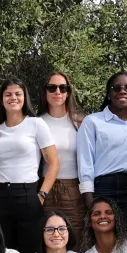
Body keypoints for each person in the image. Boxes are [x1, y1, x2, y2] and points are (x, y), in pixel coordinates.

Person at [0, 80, 60, 253]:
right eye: (8, 94)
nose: (13, 98)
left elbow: (54, 163)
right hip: (1, 196)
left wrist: (41, 195)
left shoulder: (36, 124)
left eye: (18, 94)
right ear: (2, 99)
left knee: (30, 252)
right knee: (4, 252)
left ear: (25, 98)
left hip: (28, 195)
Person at [77, 71, 127, 221]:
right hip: (104, 188)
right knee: (106, 233)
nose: (123, 91)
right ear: (109, 94)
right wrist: (89, 199)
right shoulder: (92, 122)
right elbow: (85, 162)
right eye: (116, 88)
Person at [39, 71, 88, 234]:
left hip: (73, 189)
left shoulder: (81, 122)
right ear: (45, 91)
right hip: (44, 188)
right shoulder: (36, 122)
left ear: (68, 92)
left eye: (63, 88)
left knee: (75, 236)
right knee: (47, 237)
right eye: (52, 88)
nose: (57, 92)